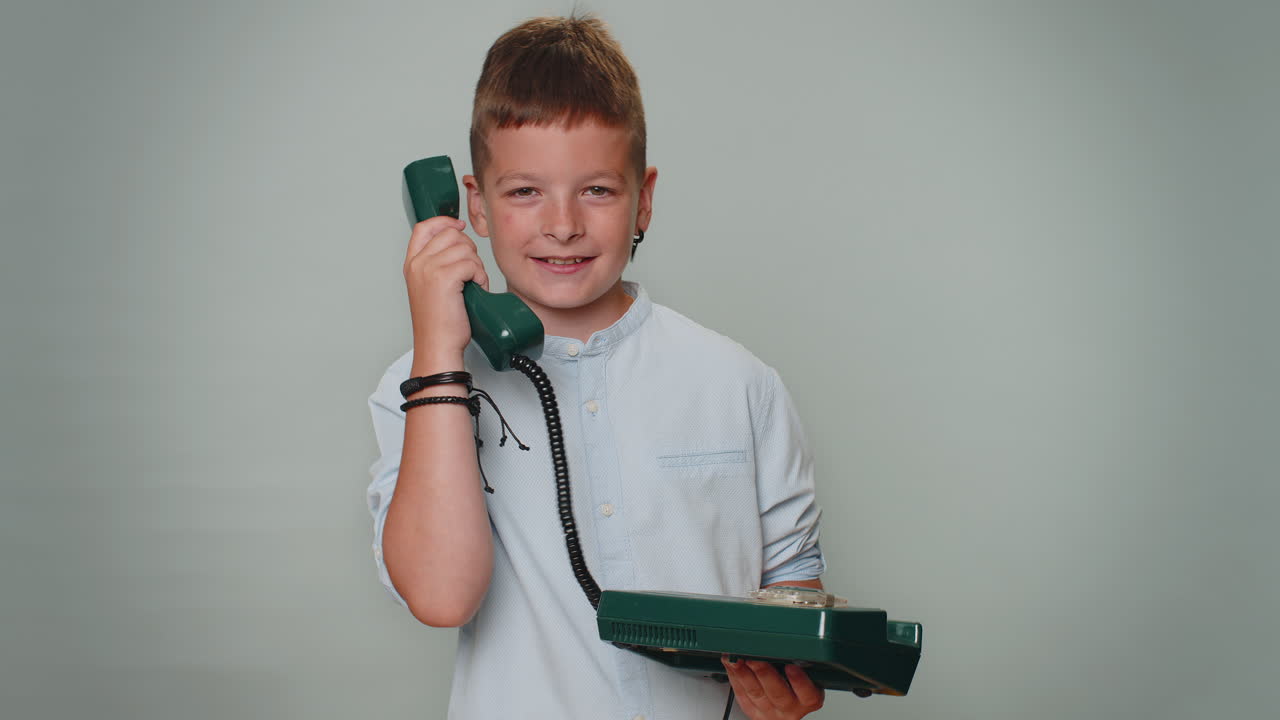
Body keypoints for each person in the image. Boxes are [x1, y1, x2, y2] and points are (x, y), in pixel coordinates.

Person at [366, 15, 827, 720]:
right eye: (524, 192)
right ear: (473, 207)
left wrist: (786, 694)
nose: (562, 224)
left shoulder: (740, 384)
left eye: (597, 191)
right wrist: (438, 355)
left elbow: (794, 603)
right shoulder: (421, 384)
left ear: (643, 197)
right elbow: (440, 594)